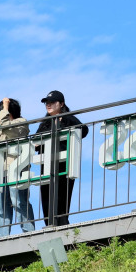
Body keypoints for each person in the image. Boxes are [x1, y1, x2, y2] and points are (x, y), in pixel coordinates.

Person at [34, 91, 88, 227]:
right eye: (47, 103)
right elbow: (35, 142)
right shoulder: (45, 123)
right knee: (46, 197)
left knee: (63, 196)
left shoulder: (68, 118)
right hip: (46, 166)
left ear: (61, 104)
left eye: (52, 102)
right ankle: (49, 225)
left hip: (65, 164)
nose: (48, 105)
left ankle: (63, 224)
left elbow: (84, 130)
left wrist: (66, 133)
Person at [0, 98, 35, 236]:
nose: (1, 112)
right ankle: (2, 236)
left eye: (3, 109)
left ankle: (29, 233)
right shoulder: (2, 126)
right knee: (1, 205)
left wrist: (5, 106)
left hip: (17, 169)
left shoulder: (21, 123)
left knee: (19, 201)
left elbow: (6, 126)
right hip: (1, 170)